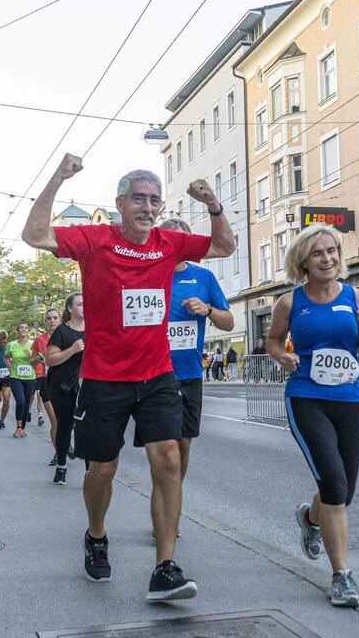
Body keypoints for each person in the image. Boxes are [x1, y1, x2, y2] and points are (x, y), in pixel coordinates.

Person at [22, 153, 235, 600]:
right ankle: (96, 536)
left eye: (154, 200)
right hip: (104, 377)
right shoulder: (95, 239)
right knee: (103, 468)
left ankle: (166, 567)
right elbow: (34, 234)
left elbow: (224, 247)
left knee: (170, 461)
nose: (147, 206)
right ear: (120, 203)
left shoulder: (168, 243)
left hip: (158, 374)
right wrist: (57, 178)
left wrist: (213, 203)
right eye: (139, 198)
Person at [266, 223, 359, 608]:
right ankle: (342, 576)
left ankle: (310, 518)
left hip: (349, 398)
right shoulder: (290, 302)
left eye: (332, 251)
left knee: (343, 492)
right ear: (304, 262)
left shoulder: (355, 296)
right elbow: (274, 340)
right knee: (332, 482)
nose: (327, 258)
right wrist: (283, 357)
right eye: (318, 253)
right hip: (307, 397)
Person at [137, 217, 232, 540]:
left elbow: (229, 322)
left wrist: (207, 310)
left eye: (183, 238)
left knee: (183, 445)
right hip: (155, 374)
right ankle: (163, 512)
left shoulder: (203, 277)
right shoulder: (147, 274)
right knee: (164, 451)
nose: (177, 243)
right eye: (171, 237)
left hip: (189, 374)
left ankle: (170, 497)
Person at [46, 293, 84, 485]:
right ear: (70, 308)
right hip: (63, 385)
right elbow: (50, 359)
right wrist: (72, 350)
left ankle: (89, 471)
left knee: (87, 427)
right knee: (65, 425)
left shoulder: (94, 328)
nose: (84, 307)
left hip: (88, 383)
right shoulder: (62, 330)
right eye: (79, 304)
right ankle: (61, 466)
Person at [34, 309, 62, 463]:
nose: (52, 321)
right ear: (45, 321)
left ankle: (64, 443)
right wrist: (38, 359)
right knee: (55, 421)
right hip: (47, 381)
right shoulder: (40, 340)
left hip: (67, 381)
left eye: (55, 318)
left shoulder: (69, 335)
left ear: (60, 319)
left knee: (68, 422)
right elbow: (31, 361)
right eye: (49, 318)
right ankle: (58, 453)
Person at [5, 322, 37, 437]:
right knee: (20, 402)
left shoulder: (33, 343)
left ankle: (23, 428)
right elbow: (6, 356)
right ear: (17, 331)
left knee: (27, 403)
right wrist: (9, 366)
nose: (23, 329)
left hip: (30, 377)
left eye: (26, 328)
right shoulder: (11, 345)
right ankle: (18, 428)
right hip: (15, 377)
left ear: (28, 331)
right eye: (21, 328)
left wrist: (31, 356)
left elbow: (39, 360)